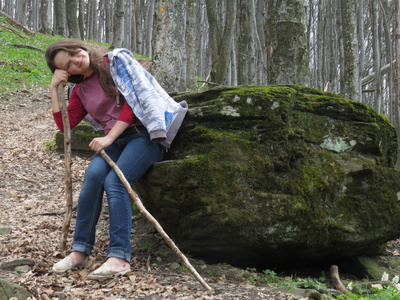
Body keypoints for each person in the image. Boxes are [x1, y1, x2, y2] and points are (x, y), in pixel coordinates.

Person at [45, 39, 187, 280]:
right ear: (66, 72)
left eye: (74, 53)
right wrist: (53, 90)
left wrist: (108, 137)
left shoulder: (115, 63)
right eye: (68, 64)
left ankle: (119, 257)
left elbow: (135, 102)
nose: (76, 61)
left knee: (115, 182)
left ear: (80, 47)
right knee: (92, 178)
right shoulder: (79, 91)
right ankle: (80, 251)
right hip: (116, 140)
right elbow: (64, 127)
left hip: (145, 133)